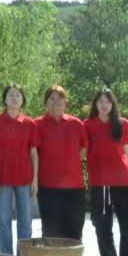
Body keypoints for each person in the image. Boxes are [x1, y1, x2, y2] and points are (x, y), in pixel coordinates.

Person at [85, 88, 128, 256]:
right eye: (100, 101)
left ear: (112, 104)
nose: (104, 105)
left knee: (127, 224)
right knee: (102, 225)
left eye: (107, 101)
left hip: (123, 181)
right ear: (95, 104)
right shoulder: (87, 125)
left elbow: (125, 152)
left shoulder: (123, 124)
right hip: (100, 182)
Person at [0, 83, 38, 256]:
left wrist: (35, 179)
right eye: (10, 95)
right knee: (3, 221)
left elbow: (34, 153)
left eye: (18, 95)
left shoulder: (30, 123)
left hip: (25, 178)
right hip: (2, 179)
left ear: (23, 99)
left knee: (25, 223)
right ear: (4, 99)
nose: (14, 98)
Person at [34, 85, 87, 241]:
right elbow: (33, 153)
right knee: (50, 231)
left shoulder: (76, 124)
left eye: (59, 99)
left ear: (65, 103)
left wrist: (69, 162)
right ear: (45, 103)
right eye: (51, 99)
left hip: (74, 187)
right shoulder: (37, 124)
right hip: (47, 187)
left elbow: (84, 149)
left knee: (74, 230)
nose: (56, 102)